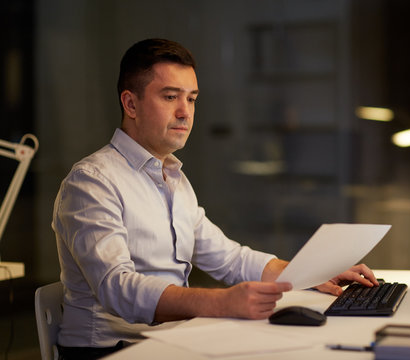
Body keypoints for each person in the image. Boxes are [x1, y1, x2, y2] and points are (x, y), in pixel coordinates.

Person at [52, 38, 379, 359]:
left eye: (192, 99)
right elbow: (118, 289)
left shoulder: (174, 180)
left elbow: (230, 259)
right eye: (170, 97)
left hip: (171, 341)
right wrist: (221, 303)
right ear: (131, 104)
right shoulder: (91, 182)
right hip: (110, 351)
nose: (185, 112)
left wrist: (312, 273)